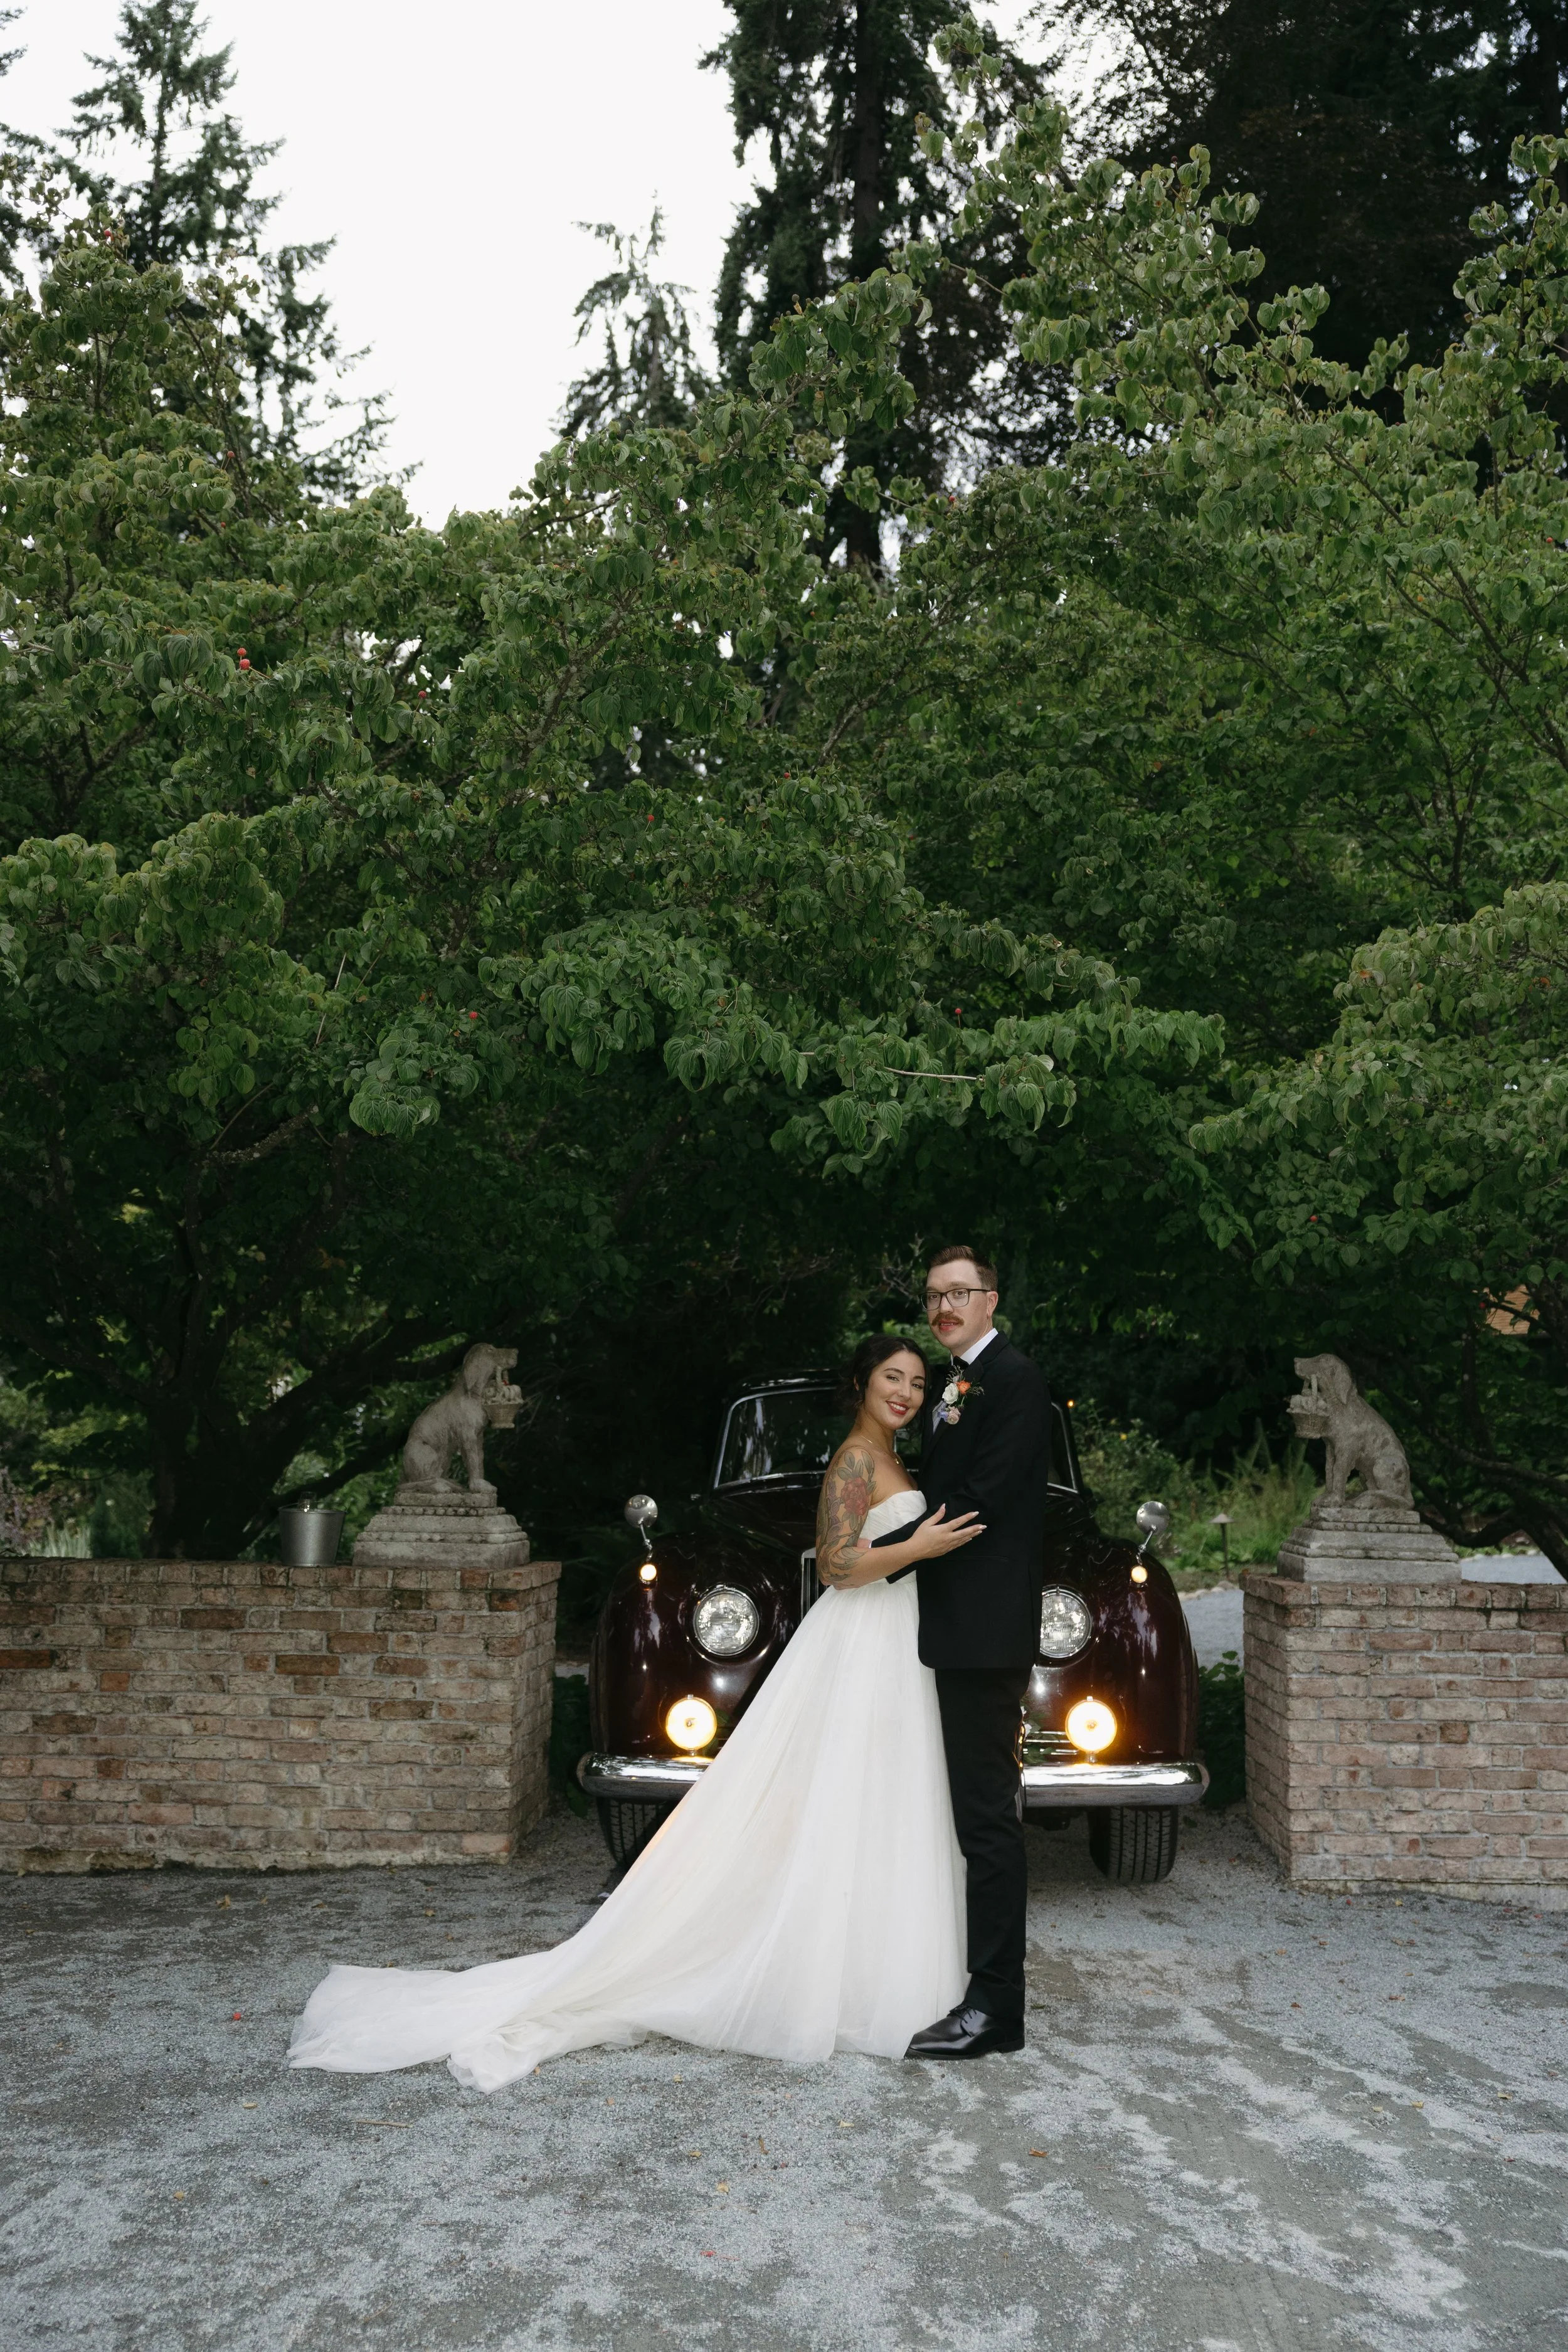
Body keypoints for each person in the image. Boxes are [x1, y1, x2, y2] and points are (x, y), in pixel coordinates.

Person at [288, 1335, 983, 2090]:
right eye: (893, 1377)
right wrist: (922, 1543)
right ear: (861, 1383)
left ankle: (869, 1968)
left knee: (877, 1801)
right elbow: (839, 1563)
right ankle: (828, 1976)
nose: (907, 1392)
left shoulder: (891, 1457)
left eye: (917, 1382)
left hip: (893, 1642)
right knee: (842, 1794)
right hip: (862, 1637)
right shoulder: (855, 1457)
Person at [895, 1246, 1051, 2060]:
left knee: (988, 1820)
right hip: (953, 1623)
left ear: (991, 1298)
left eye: (959, 1292)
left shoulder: (1016, 1380)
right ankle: (976, 1992)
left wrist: (888, 1539)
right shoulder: (950, 1379)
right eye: (933, 1295)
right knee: (968, 1813)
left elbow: (982, 1500)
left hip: (986, 1629)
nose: (944, 1305)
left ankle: (996, 2009)